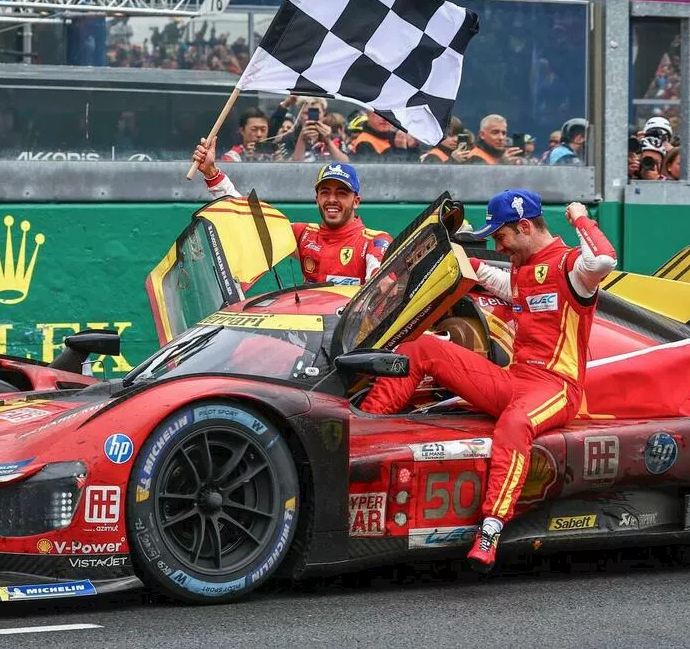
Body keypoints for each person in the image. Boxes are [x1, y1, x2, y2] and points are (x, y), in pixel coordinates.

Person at [360, 189, 617, 570]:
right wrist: (451, 260)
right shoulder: (521, 268)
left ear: (526, 226)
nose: (500, 244)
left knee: (515, 423)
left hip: (558, 387)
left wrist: (580, 216)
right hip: (514, 381)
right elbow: (499, 281)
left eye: (502, 236)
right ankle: (362, 425)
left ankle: (491, 529)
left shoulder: (573, 267)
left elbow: (605, 258)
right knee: (421, 348)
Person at [192, 137, 392, 285]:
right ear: (317, 199)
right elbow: (249, 220)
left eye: (341, 193)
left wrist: (381, 282)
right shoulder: (304, 235)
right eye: (325, 192)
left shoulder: (374, 241)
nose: (332, 199)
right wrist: (211, 174)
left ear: (356, 201)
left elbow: (381, 280)